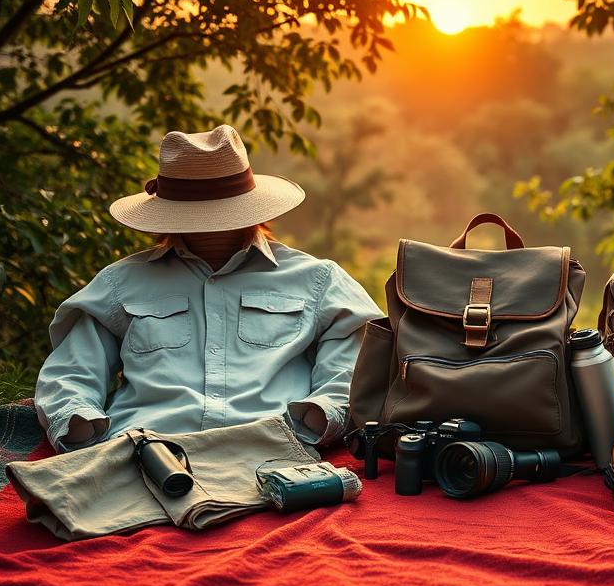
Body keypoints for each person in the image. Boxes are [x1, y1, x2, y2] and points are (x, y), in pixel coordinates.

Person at [35, 125, 383, 452]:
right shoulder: (121, 283)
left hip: (272, 452)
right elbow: (70, 373)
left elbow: (354, 369)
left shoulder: (317, 279)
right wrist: (83, 429)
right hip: (146, 453)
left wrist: (314, 420)